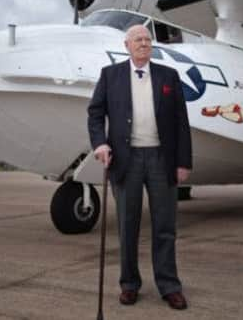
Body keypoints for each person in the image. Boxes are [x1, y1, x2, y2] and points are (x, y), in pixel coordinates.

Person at [87, 24, 192, 310]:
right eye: (138, 40)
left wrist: (183, 161)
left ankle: (169, 286)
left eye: (147, 39)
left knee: (165, 227)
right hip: (126, 160)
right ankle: (129, 284)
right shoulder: (110, 76)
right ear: (127, 45)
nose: (144, 43)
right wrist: (100, 143)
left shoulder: (169, 76)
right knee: (127, 226)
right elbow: (95, 113)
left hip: (162, 159)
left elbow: (181, 122)